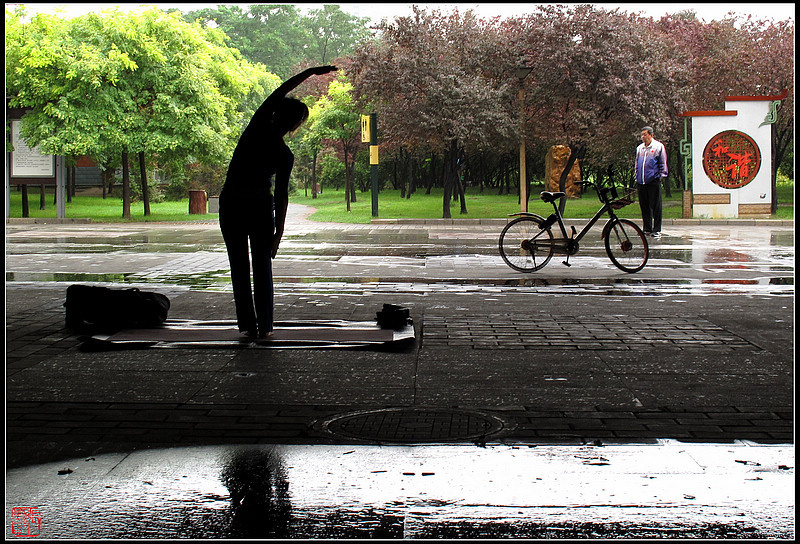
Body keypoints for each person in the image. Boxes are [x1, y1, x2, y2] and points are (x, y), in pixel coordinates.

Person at [220, 65, 338, 339]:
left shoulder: (256, 128)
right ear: (294, 124)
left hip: (234, 205)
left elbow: (280, 90)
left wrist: (309, 72)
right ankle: (264, 327)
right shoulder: (284, 154)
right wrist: (279, 232)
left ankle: (248, 326)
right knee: (262, 268)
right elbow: (281, 197)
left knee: (239, 267)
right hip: (260, 207)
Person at [634, 126, 668, 239]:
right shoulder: (640, 148)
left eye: (645, 134)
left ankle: (657, 229)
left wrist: (660, 177)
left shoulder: (658, 147)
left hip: (653, 181)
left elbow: (662, 164)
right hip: (641, 181)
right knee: (644, 206)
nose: (643, 137)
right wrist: (637, 176)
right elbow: (637, 164)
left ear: (651, 135)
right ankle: (647, 228)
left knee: (656, 206)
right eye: (642, 135)